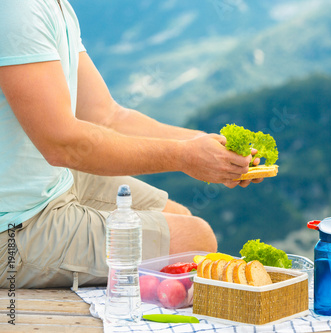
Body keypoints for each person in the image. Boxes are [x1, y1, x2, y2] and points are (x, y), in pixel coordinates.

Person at [0, 0, 263, 289]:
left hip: (52, 183)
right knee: (195, 240)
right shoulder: (17, 10)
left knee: (177, 219)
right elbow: (62, 144)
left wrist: (202, 143)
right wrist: (184, 157)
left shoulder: (54, 5)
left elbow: (106, 115)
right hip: (14, 226)